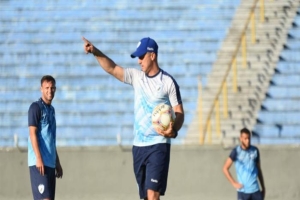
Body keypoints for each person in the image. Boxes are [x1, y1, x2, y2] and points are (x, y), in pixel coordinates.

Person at [82, 36, 184, 200]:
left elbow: (179, 112)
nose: (138, 61)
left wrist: (174, 129)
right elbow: (112, 69)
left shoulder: (168, 82)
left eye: (142, 56)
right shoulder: (137, 77)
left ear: (153, 55)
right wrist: (95, 51)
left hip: (158, 145)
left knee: (153, 195)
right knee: (145, 197)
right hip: (138, 147)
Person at [28, 75, 63, 200]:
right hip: (39, 164)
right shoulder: (35, 107)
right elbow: (32, 133)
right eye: (47, 87)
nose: (50, 91)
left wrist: (57, 162)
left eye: (52, 88)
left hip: (50, 163)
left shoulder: (52, 110)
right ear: (41, 89)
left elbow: (51, 138)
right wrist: (38, 158)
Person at [223, 128, 266, 200]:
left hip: (255, 190)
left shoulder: (255, 150)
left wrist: (263, 187)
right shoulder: (236, 151)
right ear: (241, 139)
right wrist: (234, 183)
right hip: (243, 191)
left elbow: (259, 170)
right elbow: (225, 168)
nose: (248, 141)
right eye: (245, 138)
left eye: (249, 138)